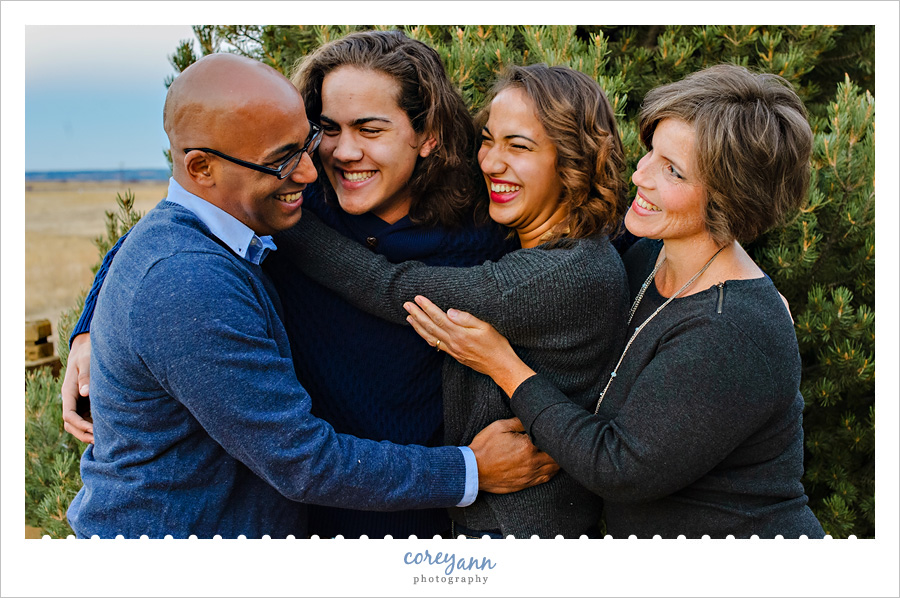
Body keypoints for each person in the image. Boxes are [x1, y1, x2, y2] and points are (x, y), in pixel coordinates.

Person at [65, 53, 557, 539]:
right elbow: (176, 235)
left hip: (416, 523)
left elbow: (582, 252)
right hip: (300, 519)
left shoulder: (484, 226)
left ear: (428, 136)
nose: (335, 156)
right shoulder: (289, 211)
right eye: (328, 129)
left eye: (370, 129)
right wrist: (93, 329)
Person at [403, 64, 827, 539]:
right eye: (651, 152)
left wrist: (504, 366)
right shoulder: (650, 253)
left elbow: (618, 467)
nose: (640, 174)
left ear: (729, 199)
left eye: (672, 170)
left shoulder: (732, 329)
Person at [274, 63, 631, 538]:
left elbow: (390, 287)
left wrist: (273, 210)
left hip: (517, 528)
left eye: (518, 146)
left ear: (574, 161)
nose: (490, 162)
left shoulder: (555, 273)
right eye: (488, 139)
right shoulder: (545, 246)